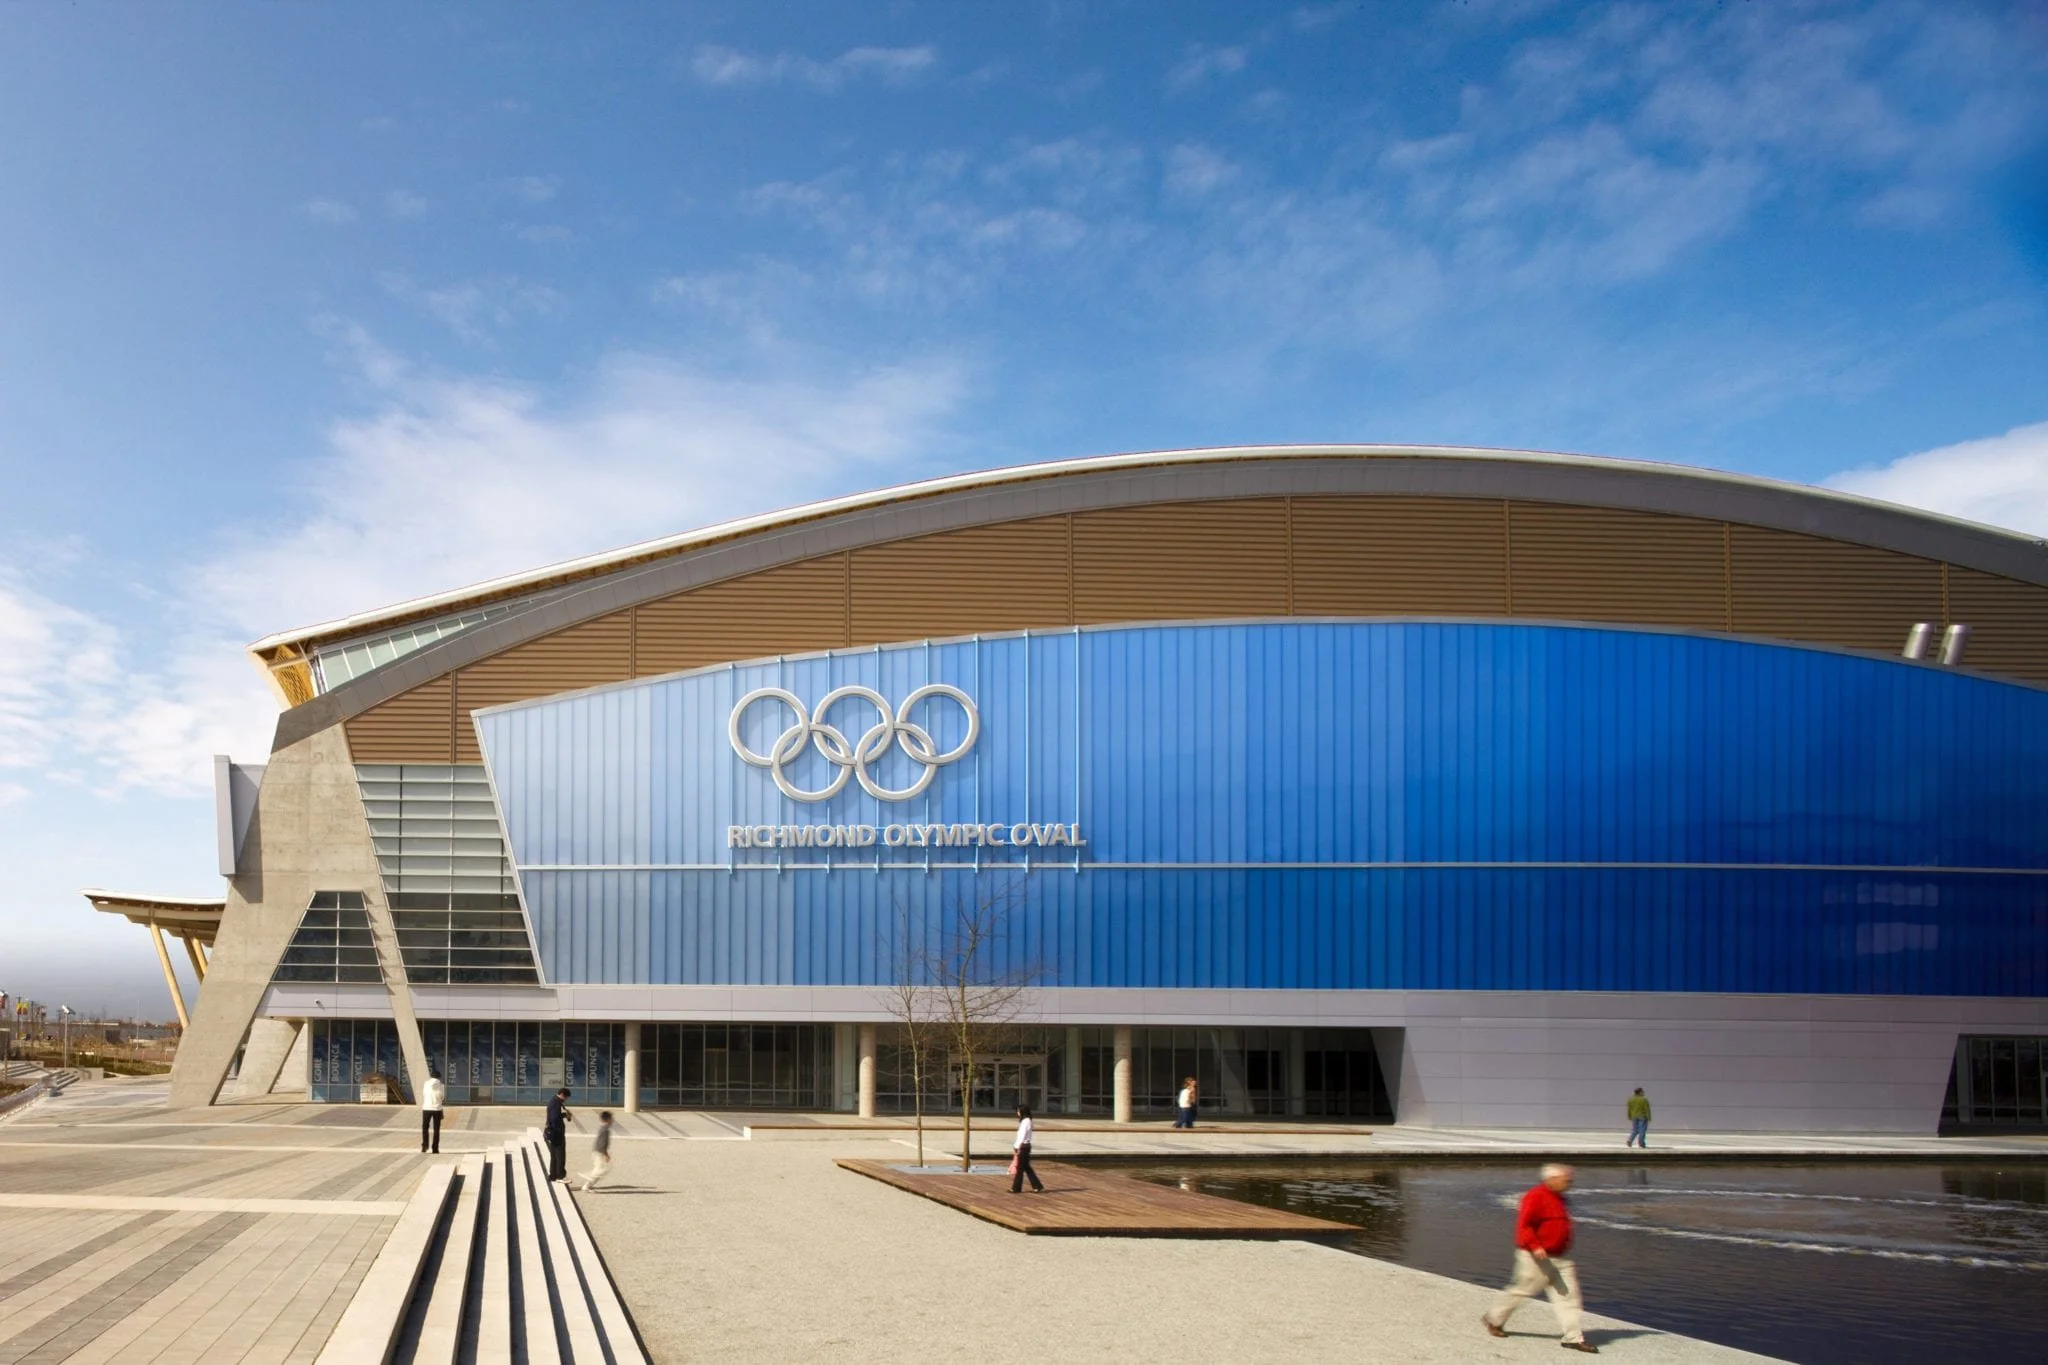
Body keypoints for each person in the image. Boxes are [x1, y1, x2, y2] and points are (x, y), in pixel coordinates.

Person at [1482, 1163, 1595, 1353]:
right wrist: (1535, 1246)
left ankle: (1573, 1338)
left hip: (1559, 1257)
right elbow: (1524, 1225)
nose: (1569, 1183)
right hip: (1536, 1257)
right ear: (1552, 1179)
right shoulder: (1535, 1196)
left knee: (1569, 1297)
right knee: (1522, 1291)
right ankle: (1494, 1318)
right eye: (1566, 1180)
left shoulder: (1560, 1198)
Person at [1009, 1103, 1045, 1194]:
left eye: (1018, 1111)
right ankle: (1037, 1186)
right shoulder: (1026, 1121)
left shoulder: (1026, 1121)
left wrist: (1016, 1147)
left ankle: (1016, 1188)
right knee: (1026, 1168)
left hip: (1023, 1147)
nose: (1017, 1113)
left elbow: (1022, 1136)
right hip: (1025, 1146)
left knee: (1020, 1169)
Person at [579, 1111, 614, 1192]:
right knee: (602, 1170)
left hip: (597, 1151)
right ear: (608, 1119)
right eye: (611, 1119)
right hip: (599, 1152)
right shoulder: (605, 1130)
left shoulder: (603, 1128)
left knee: (599, 1169)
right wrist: (606, 1154)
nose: (613, 1120)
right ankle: (587, 1177)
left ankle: (587, 1185)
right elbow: (602, 1143)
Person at [543, 1087, 572, 1182]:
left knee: (554, 1156)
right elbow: (554, 1118)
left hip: (552, 1132)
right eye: (566, 1098)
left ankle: (553, 1175)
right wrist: (564, 1117)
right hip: (557, 1133)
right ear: (562, 1095)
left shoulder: (553, 1100)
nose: (566, 1100)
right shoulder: (556, 1103)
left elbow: (554, 1116)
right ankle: (560, 1176)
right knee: (560, 1155)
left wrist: (563, 1115)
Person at [420, 1067, 446, 1154]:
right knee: (436, 1129)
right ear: (439, 1077)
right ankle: (435, 1149)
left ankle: (425, 1146)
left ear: (431, 1076)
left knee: (425, 1127)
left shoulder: (426, 1084)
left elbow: (424, 1094)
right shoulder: (441, 1086)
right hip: (437, 1109)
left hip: (426, 1108)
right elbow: (442, 1097)